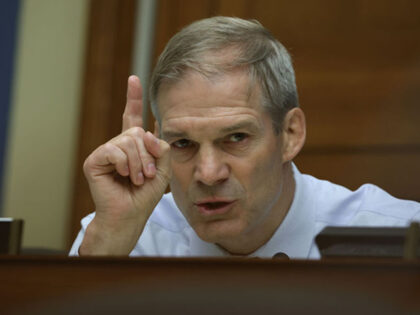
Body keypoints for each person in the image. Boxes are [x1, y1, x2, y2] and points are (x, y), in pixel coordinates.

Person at [70, 16, 420, 258]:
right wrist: (110, 244)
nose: (207, 174)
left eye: (235, 137)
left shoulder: (398, 237)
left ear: (291, 135)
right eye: (183, 144)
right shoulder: (126, 234)